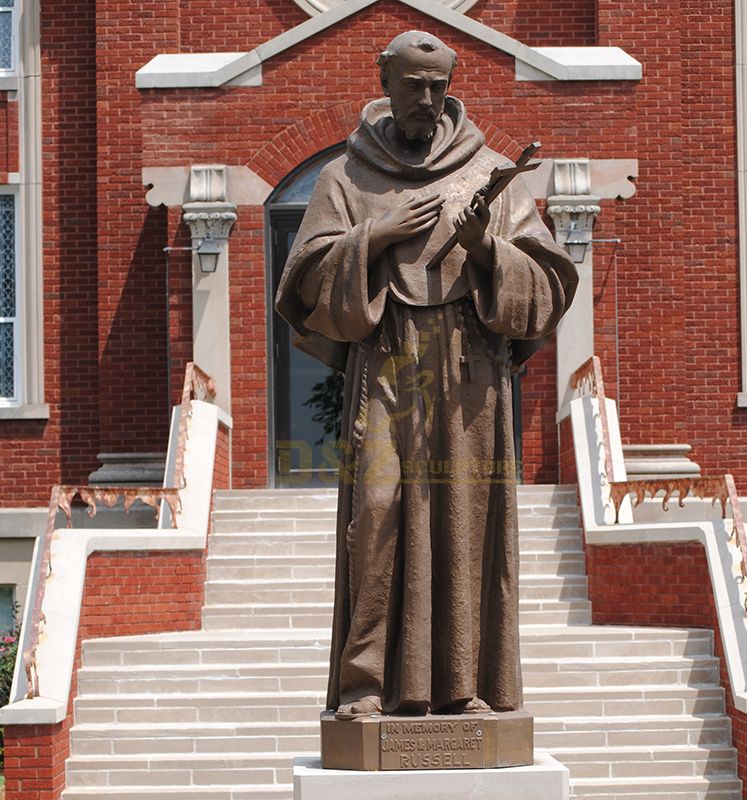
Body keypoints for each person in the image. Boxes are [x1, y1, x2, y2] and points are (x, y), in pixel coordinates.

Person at [276, 30, 577, 719]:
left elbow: (547, 286)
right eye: (413, 85)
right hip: (388, 362)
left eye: (438, 87)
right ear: (385, 80)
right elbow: (304, 285)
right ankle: (364, 688)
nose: (427, 100)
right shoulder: (345, 179)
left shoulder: (490, 172)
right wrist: (375, 236)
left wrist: (484, 248)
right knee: (376, 515)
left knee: (466, 522)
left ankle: (468, 687)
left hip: (470, 370)